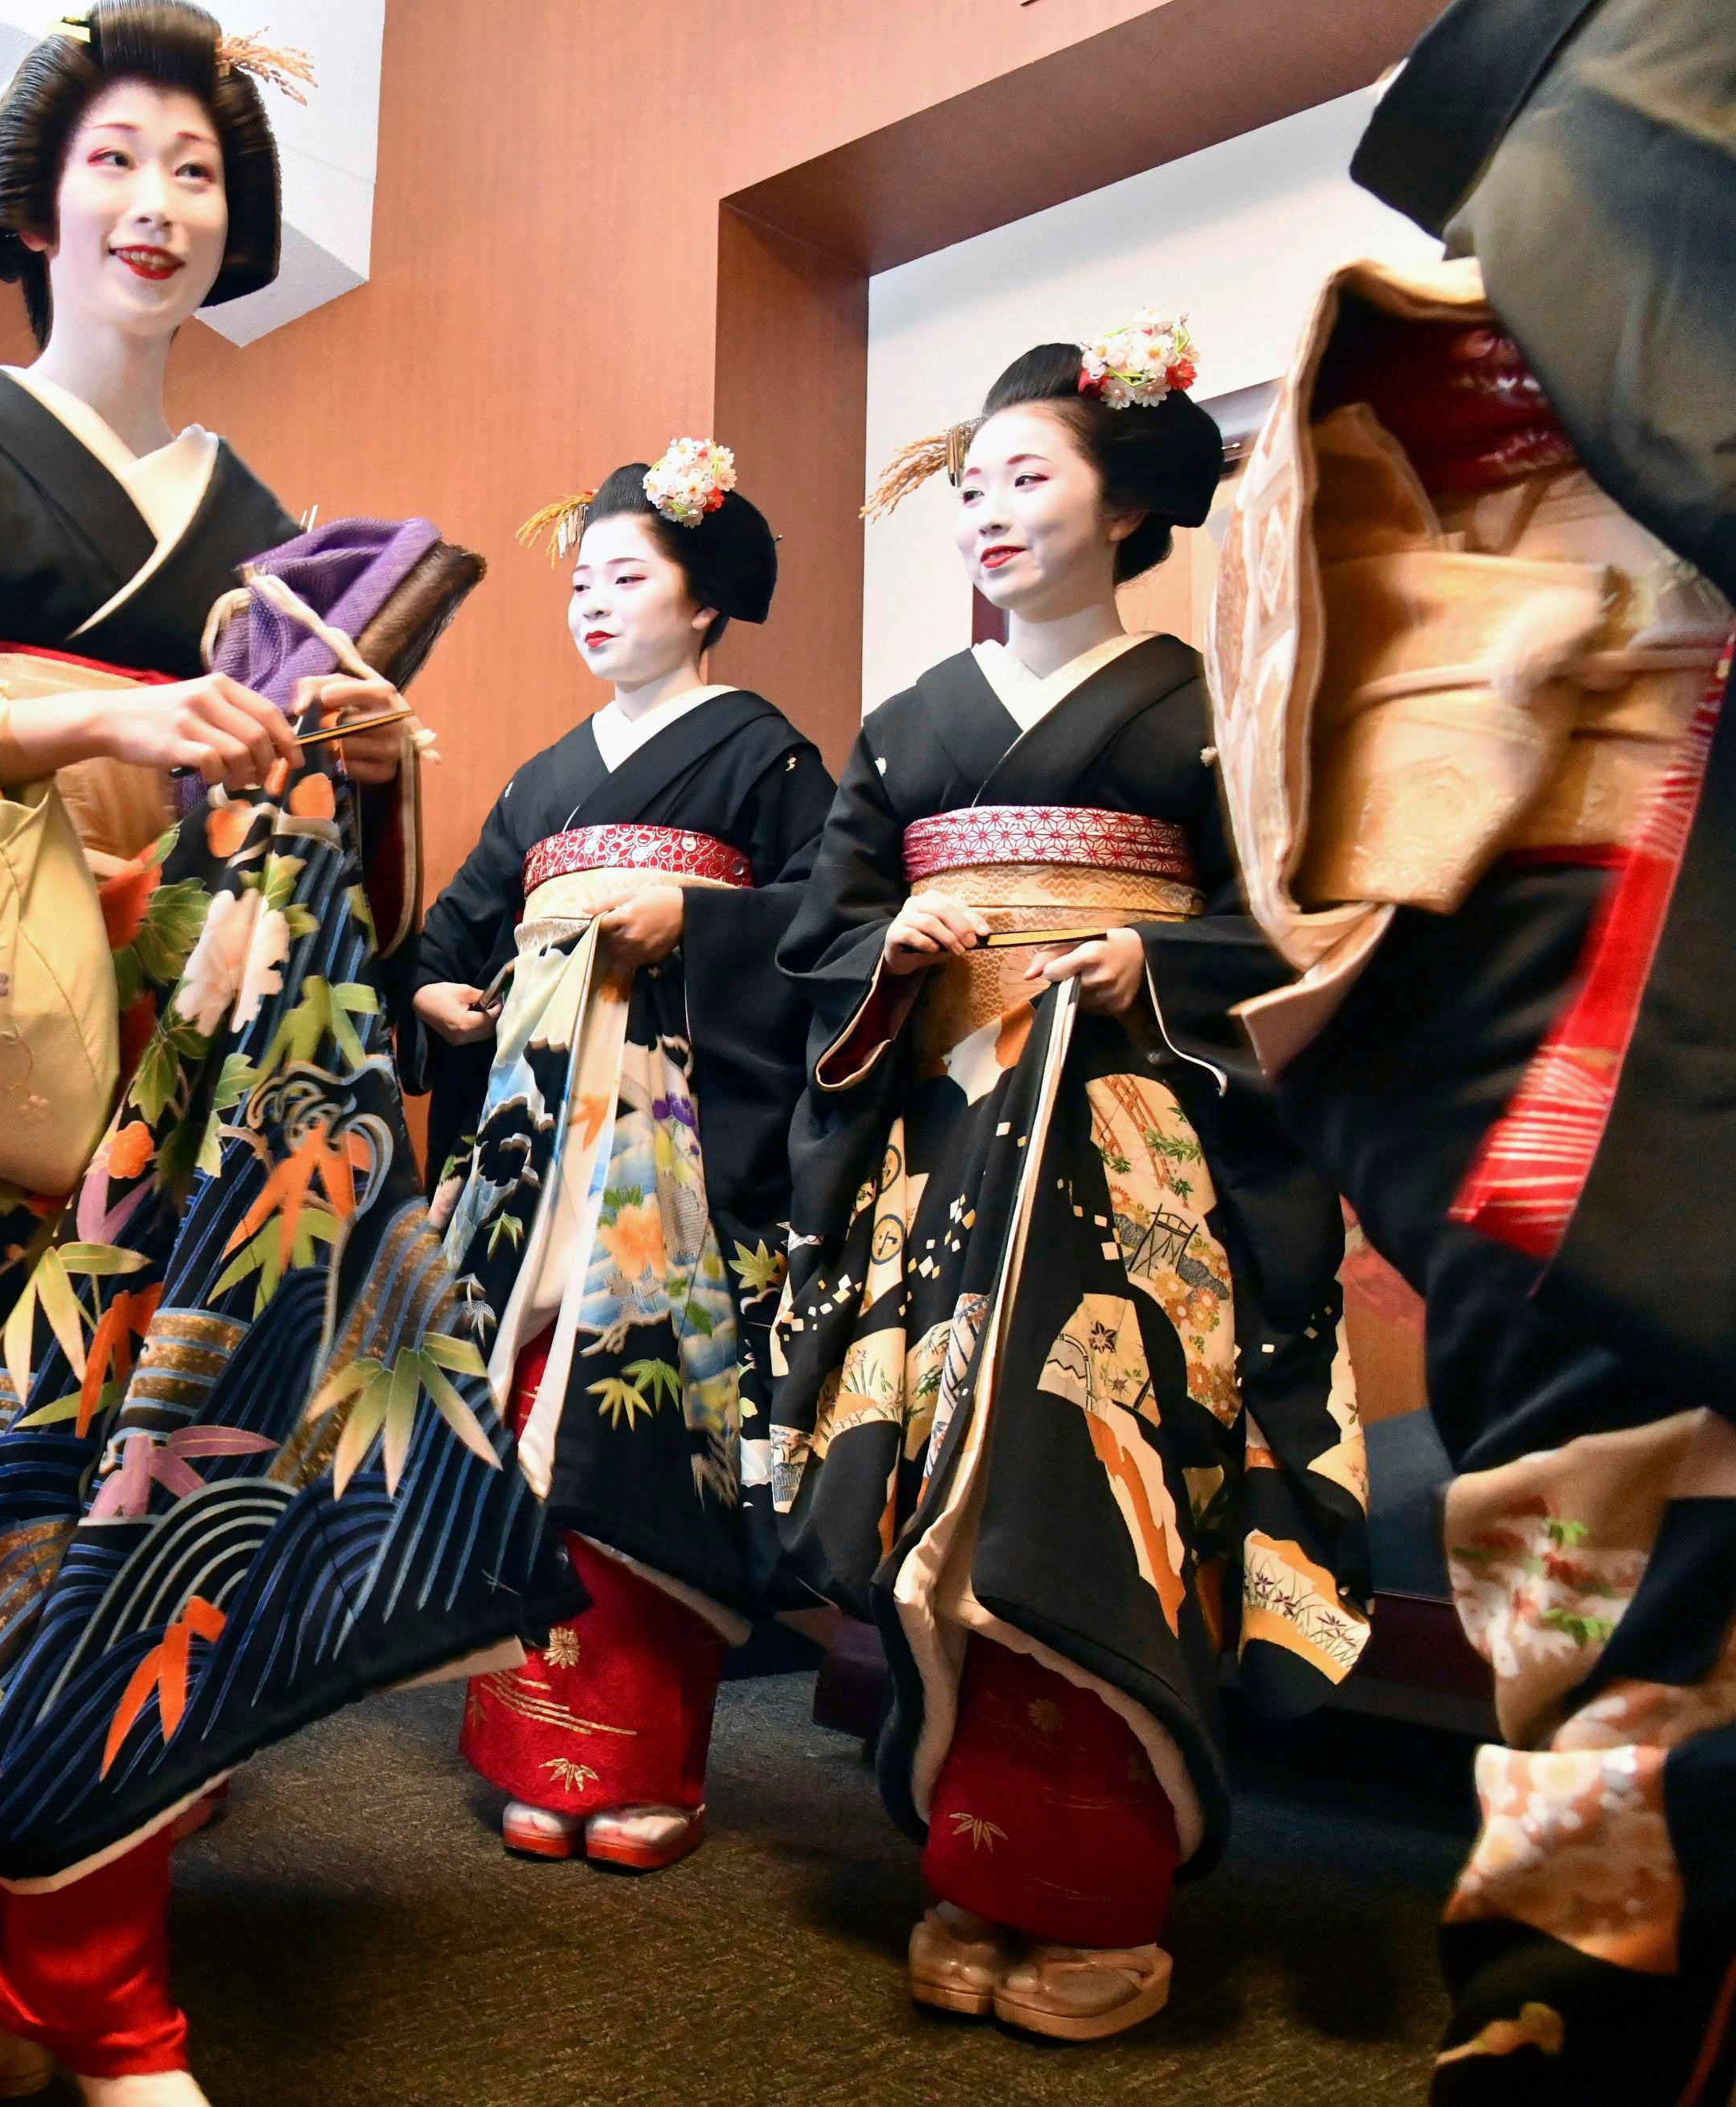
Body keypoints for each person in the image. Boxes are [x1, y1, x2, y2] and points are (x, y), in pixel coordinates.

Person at [0, 12, 570, 2100]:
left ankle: (4, 1917)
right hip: (9, 992)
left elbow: (309, 804)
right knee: (28, 1461)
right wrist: (94, 720)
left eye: (198, 175)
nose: (158, 206)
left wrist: (364, 762)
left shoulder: (253, 503)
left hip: (205, 1028)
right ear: (43, 202)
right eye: (121, 160)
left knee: (171, 1452)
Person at [1214, 9, 1736, 2093]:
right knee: (1622, 1493)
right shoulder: (1637, 100)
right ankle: (1584, 1978)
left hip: (1591, 857)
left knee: (1609, 1494)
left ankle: (1580, 1972)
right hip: (1597, 862)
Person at [762, 315, 1371, 2042]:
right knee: (939, 1483)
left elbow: (1290, 921)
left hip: (1129, 1152)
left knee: (1089, 1481)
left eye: (1027, 476)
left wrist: (1152, 963)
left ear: (1123, 507)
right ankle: (969, 1863)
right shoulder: (902, 726)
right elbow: (816, 935)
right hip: (945, 1138)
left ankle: (1099, 1884)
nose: (987, 509)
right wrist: (899, 944)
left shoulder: (1201, 712)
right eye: (969, 484)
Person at [420, 443, 832, 1871]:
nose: (592, 604)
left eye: (627, 577)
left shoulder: (763, 749)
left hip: (666, 1122)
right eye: (579, 582)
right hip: (540, 1126)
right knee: (522, 1402)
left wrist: (697, 923)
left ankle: (646, 1759)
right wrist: (437, 990)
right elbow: (455, 925)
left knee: (636, 1404)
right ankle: (531, 1746)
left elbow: (825, 917)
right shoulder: (544, 774)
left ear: (703, 597)